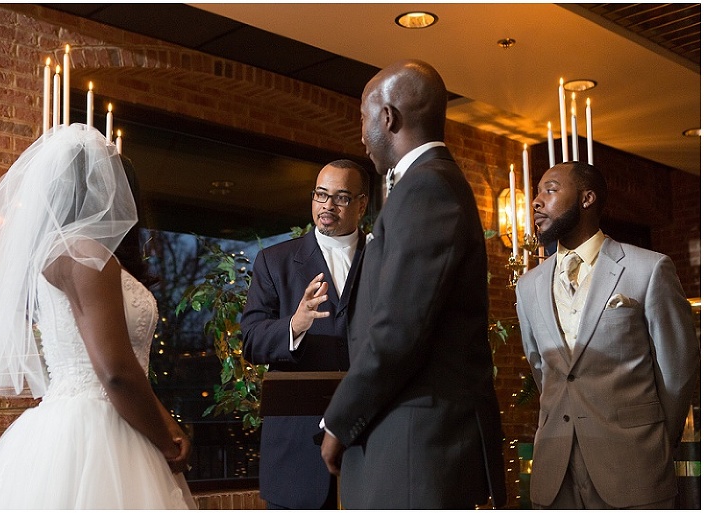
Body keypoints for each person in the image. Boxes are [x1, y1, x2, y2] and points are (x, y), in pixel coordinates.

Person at [0, 123, 197, 509]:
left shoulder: (62, 253)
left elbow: (126, 365)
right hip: (100, 429)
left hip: (84, 420)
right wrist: (164, 438)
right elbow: (113, 371)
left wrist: (164, 421)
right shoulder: (84, 255)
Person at [320, 59, 507, 509]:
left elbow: (400, 329)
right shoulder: (423, 186)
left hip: (418, 447)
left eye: (364, 118)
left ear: (388, 117)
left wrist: (338, 421)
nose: (362, 134)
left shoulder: (428, 188)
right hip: (410, 443)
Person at [515, 161, 699, 509]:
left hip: (633, 466)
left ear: (587, 198)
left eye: (550, 190)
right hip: (555, 473)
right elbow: (543, 369)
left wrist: (656, 441)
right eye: (537, 192)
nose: (537, 201)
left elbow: (678, 370)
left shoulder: (648, 269)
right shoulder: (528, 287)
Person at [241, 159, 369, 509]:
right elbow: (250, 339)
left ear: (361, 204)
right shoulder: (274, 261)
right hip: (298, 449)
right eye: (320, 195)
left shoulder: (383, 260)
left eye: (340, 197)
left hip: (371, 445)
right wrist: (294, 325)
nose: (327, 205)